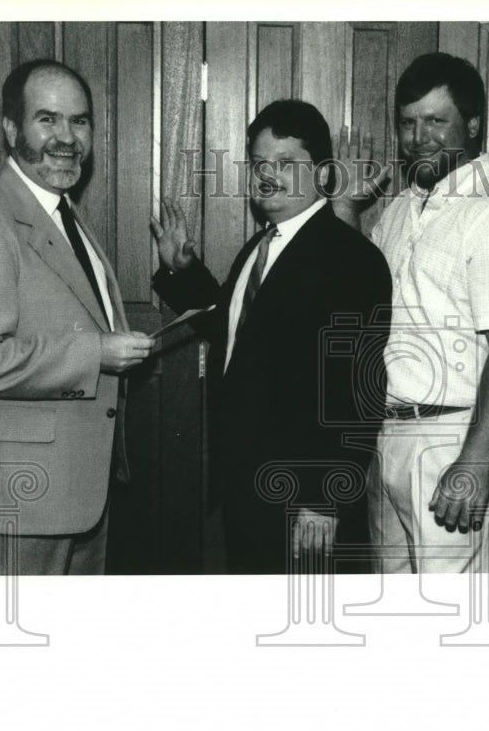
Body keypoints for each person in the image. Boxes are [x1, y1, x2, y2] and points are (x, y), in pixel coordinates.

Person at [0, 59, 154, 575]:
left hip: (78, 493)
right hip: (19, 498)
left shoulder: (65, 215)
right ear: (11, 129)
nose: (67, 137)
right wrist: (96, 352)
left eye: (79, 121)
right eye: (47, 119)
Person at [151, 99, 391, 575]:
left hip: (305, 500)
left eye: (286, 164)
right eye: (261, 163)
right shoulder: (262, 245)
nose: (269, 175)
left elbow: (360, 387)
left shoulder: (350, 258)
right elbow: (237, 330)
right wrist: (183, 272)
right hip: (248, 487)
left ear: (322, 173)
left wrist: (327, 495)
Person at [335, 53, 489, 574]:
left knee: (454, 621)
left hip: (456, 438)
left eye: (435, 121)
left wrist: (475, 461)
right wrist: (345, 210)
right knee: (396, 610)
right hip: (390, 435)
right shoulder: (401, 209)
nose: (418, 137)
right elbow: (363, 299)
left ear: (471, 125)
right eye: (408, 122)